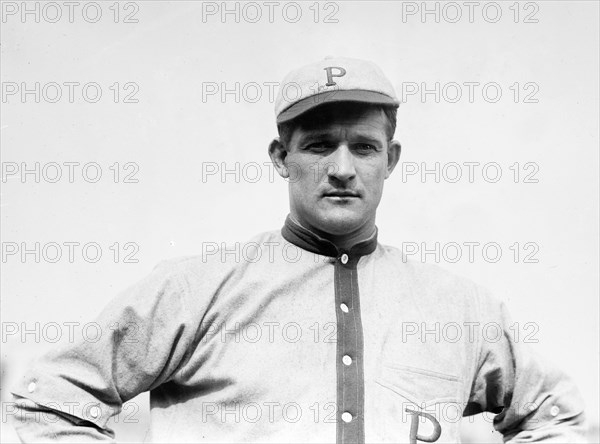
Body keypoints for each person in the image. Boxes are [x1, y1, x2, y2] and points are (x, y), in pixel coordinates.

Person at [10, 57, 587, 443]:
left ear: (392, 159)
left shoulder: (460, 309)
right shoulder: (198, 287)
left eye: (363, 147)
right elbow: (51, 394)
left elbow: (557, 416)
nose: (341, 169)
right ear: (280, 157)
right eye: (317, 146)